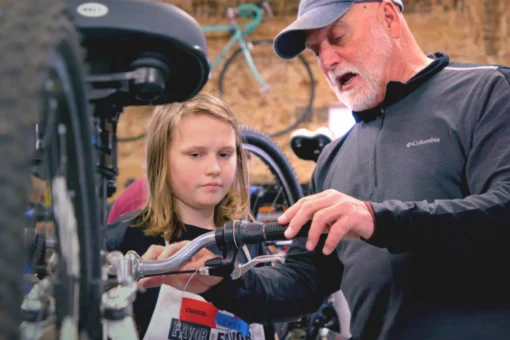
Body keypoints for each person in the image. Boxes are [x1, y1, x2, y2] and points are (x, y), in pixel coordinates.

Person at [135, 0, 510, 339]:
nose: (327, 61)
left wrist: (374, 218)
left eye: (338, 36)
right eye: (317, 51)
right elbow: (302, 282)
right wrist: (214, 281)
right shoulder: (335, 159)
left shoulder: (486, 93)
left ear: (389, 17)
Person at [105, 93, 272, 340]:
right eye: (196, 154)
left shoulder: (249, 243)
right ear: (161, 159)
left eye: (225, 154)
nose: (214, 168)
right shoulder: (126, 239)